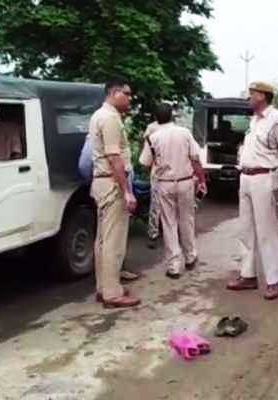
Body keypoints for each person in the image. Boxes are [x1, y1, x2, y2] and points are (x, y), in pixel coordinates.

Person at [226, 81, 278, 300]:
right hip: (246, 178)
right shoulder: (254, 121)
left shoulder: (277, 121)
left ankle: (273, 281)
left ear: (263, 97)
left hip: (265, 178)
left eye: (252, 94)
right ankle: (248, 276)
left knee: (267, 232)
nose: (248, 98)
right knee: (245, 230)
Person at [139, 103, 207, 279]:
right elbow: (195, 158)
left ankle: (174, 266)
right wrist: (201, 179)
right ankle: (190, 257)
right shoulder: (184, 133)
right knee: (187, 220)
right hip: (185, 182)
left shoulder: (153, 138)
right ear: (172, 116)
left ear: (156, 118)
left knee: (169, 224)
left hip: (165, 183)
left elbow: (145, 163)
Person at [89, 79, 141, 308]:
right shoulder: (110, 118)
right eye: (127, 94)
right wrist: (127, 191)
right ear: (114, 92)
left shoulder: (98, 115)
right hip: (111, 183)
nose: (130, 99)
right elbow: (114, 158)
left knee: (102, 240)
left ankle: (104, 287)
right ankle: (112, 293)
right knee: (113, 241)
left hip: (101, 183)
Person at [78, 132, 139, 282]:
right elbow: (85, 166)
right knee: (111, 239)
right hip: (113, 189)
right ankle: (111, 287)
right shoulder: (105, 131)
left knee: (111, 237)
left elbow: (85, 166)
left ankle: (111, 279)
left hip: (111, 188)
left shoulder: (101, 133)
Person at [142, 120, 162, 249]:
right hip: (175, 173)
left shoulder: (151, 130)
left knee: (155, 205)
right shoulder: (179, 131)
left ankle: (153, 235)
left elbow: (146, 160)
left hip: (158, 171)